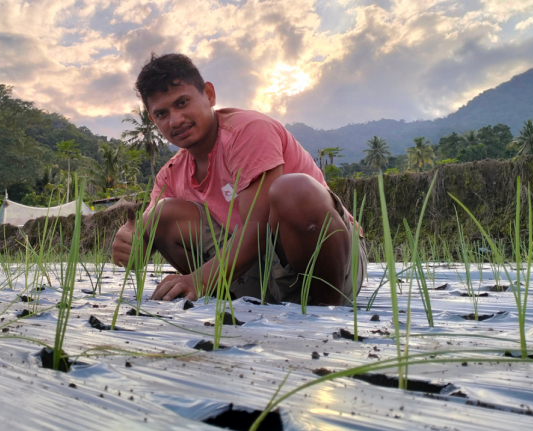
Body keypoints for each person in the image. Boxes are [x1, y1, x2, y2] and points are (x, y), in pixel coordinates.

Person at [112, 53, 366, 306]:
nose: (175, 120)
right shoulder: (170, 173)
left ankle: (326, 311)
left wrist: (198, 279)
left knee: (294, 190)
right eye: (162, 114)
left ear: (209, 95)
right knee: (161, 215)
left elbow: (257, 226)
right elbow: (142, 236)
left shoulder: (249, 130)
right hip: (253, 272)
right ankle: (232, 304)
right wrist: (131, 244)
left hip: (334, 264)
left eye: (182, 103)